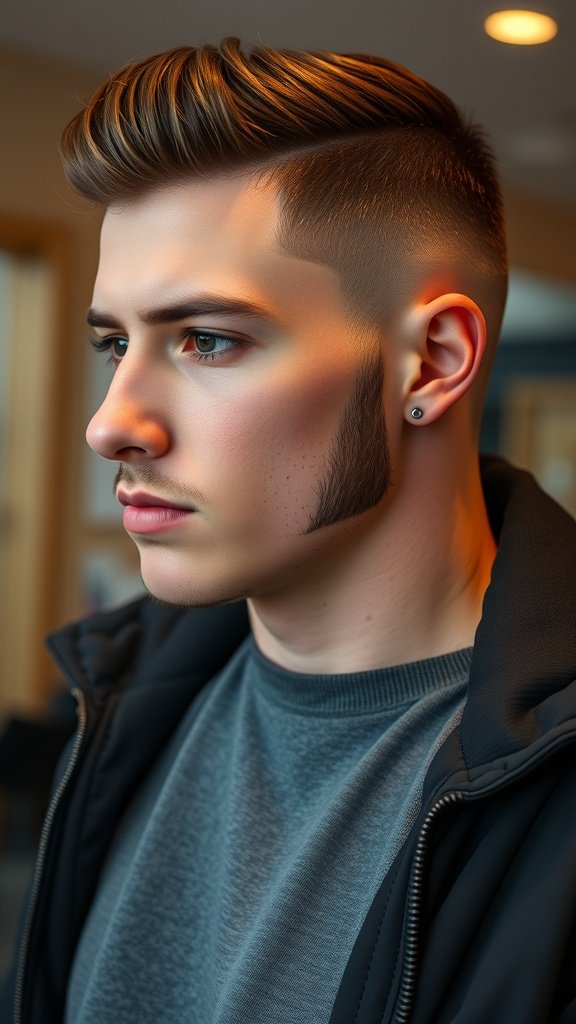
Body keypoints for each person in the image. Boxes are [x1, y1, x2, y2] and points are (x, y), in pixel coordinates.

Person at [7, 39, 576, 1024]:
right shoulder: (123, 696)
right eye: (114, 343)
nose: (111, 422)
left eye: (210, 339)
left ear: (432, 362)